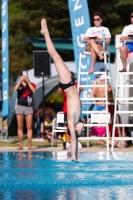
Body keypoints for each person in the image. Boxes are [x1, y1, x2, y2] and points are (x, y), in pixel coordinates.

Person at [40, 18, 84, 161]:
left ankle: (46, 33)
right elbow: (79, 132)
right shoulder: (80, 119)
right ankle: (45, 33)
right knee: (56, 57)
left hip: (68, 84)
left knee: (55, 56)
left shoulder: (72, 122)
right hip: (70, 84)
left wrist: (74, 157)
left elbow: (73, 140)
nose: (82, 128)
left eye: (81, 130)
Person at [14, 70, 36, 150]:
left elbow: (33, 90)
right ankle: (21, 145)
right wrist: (20, 80)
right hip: (20, 106)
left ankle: (30, 145)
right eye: (23, 75)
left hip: (28, 107)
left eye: (26, 75)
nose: (25, 77)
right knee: (20, 126)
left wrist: (28, 82)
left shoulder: (31, 84)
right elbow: (14, 89)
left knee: (29, 126)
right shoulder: (18, 84)